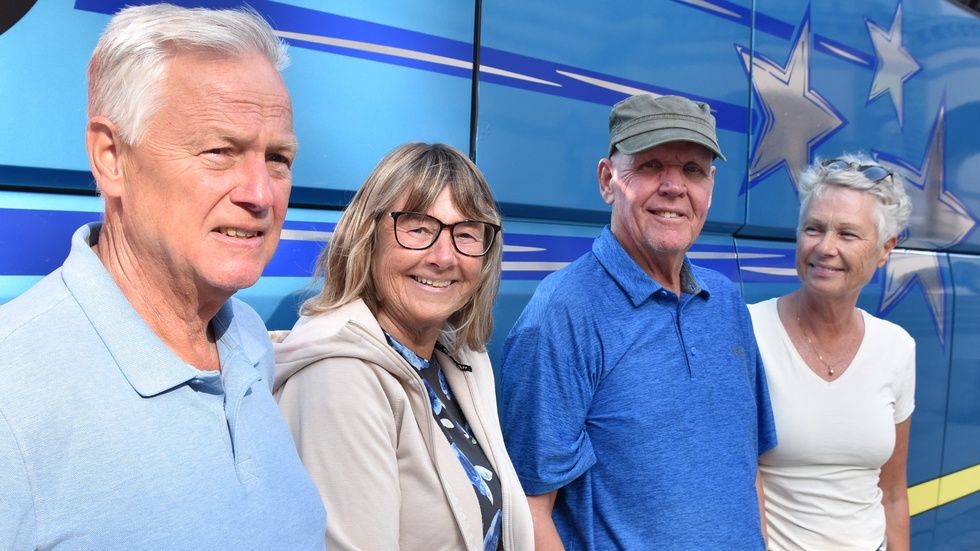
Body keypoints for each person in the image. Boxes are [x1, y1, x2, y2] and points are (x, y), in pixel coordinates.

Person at [0, 4, 326, 548]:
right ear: (111, 157)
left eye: (278, 158)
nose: (260, 194)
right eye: (220, 151)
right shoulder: (12, 392)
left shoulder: (245, 337)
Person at [498, 94, 777, 550]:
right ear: (608, 180)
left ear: (710, 186)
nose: (673, 187)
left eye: (692, 169)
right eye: (649, 166)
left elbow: (746, 471)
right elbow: (528, 511)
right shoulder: (564, 312)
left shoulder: (725, 301)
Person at [273, 142, 535, 550]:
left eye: (466, 233)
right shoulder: (340, 379)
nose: (444, 256)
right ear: (368, 236)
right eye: (419, 229)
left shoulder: (457, 363)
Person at [749, 154, 915, 551]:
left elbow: (893, 493)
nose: (825, 247)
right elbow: (739, 484)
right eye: (813, 228)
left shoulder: (897, 347)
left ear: (884, 249)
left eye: (847, 234)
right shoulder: (749, 331)